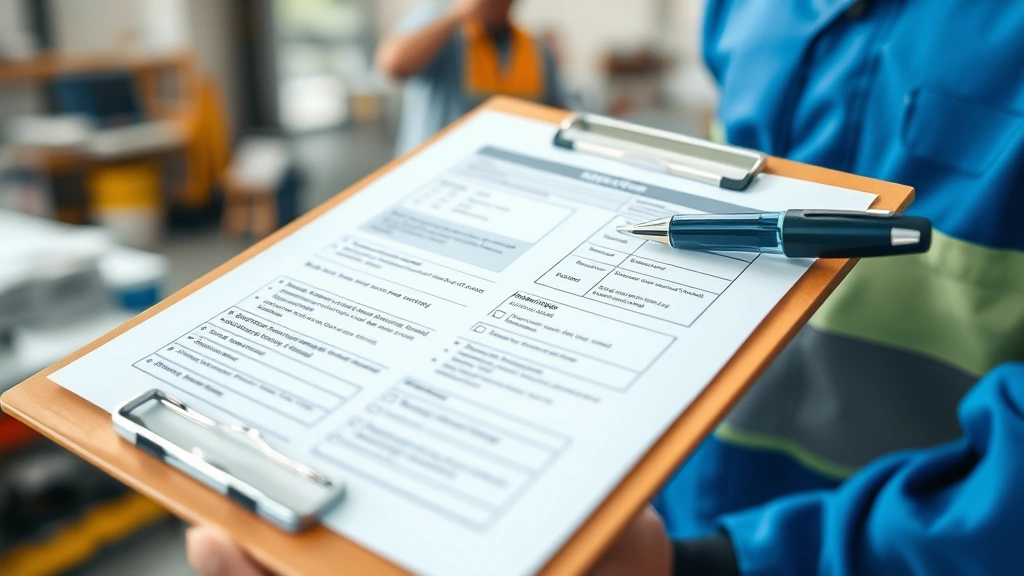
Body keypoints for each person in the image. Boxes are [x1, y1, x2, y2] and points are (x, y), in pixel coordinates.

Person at [188, 1, 1024, 574]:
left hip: (882, 541)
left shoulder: (535, 51)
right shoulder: (745, 10)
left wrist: (709, 566)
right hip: (673, 497)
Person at [376, 0, 563, 156]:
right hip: (425, 174)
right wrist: (460, 14)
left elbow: (556, 114)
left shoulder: (536, 50)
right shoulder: (446, 30)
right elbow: (393, 64)